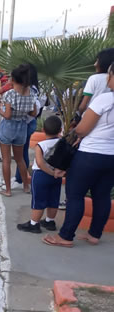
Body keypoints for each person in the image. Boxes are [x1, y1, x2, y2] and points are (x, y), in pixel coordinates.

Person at [43, 66, 114, 247]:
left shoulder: (105, 99)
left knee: (75, 195)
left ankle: (66, 236)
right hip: (111, 157)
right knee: (102, 195)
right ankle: (94, 234)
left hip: (90, 154)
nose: (107, 79)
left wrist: (76, 132)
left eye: (110, 75)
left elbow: (82, 129)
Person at [0, 64, 36, 197]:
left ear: (13, 79)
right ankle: (26, 186)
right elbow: (33, 113)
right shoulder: (31, 93)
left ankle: (8, 190)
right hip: (22, 127)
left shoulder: (9, 94)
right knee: (20, 159)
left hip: (8, 127)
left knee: (6, 160)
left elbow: (7, 115)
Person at [17, 116, 63, 234]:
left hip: (41, 175)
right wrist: (56, 173)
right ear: (60, 130)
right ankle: (50, 221)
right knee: (54, 199)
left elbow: (40, 163)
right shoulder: (62, 143)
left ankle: (34, 223)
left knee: (38, 200)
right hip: (57, 175)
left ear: (43, 130)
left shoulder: (41, 145)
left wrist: (50, 172)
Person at [78, 48, 114, 114]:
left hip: (91, 116)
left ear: (103, 63)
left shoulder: (94, 78)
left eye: (97, 61)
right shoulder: (111, 78)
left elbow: (83, 106)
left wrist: (78, 115)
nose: (94, 64)